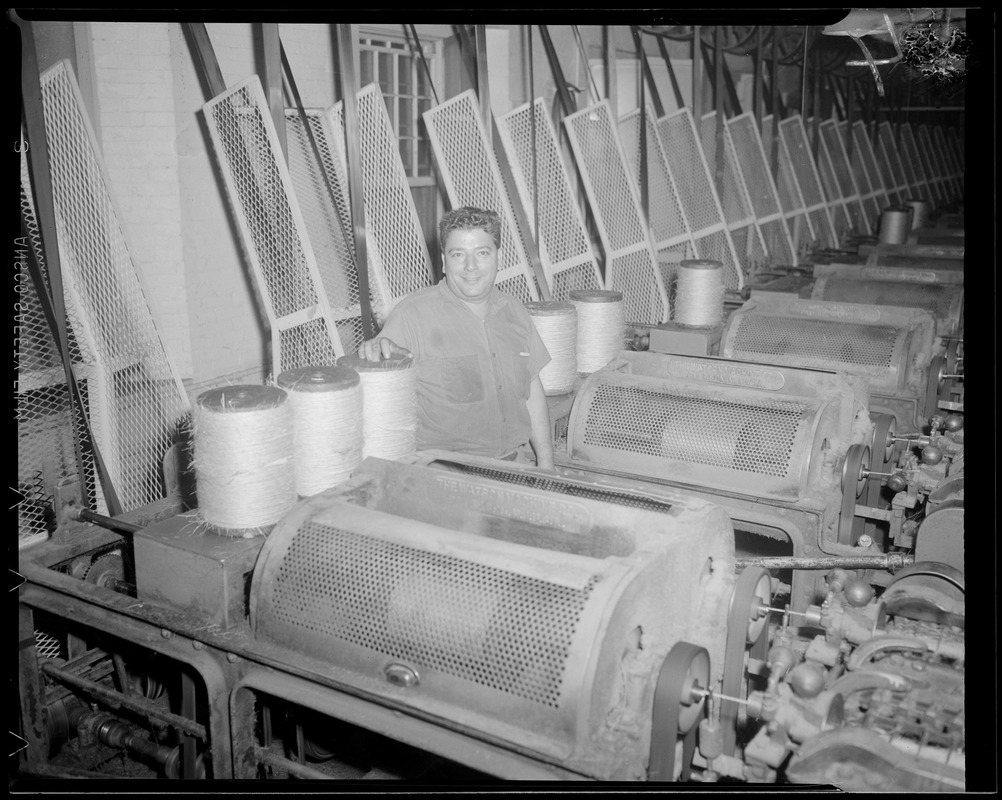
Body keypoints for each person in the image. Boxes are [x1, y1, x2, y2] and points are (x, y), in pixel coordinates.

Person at [358, 206, 554, 469]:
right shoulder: (412, 316)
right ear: (443, 260)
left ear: (499, 257)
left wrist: (547, 464)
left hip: (512, 465)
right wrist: (378, 354)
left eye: (482, 253)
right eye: (458, 254)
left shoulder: (515, 311)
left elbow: (532, 392)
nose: (470, 266)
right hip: (444, 474)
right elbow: (376, 380)